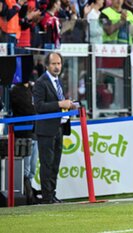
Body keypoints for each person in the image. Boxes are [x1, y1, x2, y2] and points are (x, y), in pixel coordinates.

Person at [33, 52, 76, 204]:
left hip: (59, 127)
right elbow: (39, 106)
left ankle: (52, 194)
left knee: (55, 163)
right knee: (47, 163)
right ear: (46, 65)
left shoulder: (59, 81)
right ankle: (46, 197)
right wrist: (60, 104)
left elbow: (60, 102)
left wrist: (69, 105)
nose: (57, 67)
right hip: (46, 130)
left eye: (59, 64)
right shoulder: (41, 82)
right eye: (53, 64)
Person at [10, 81, 38, 204]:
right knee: (25, 170)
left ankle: (29, 195)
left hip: (34, 133)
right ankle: (25, 197)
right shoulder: (15, 90)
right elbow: (29, 109)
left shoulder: (33, 87)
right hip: (23, 134)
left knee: (32, 169)